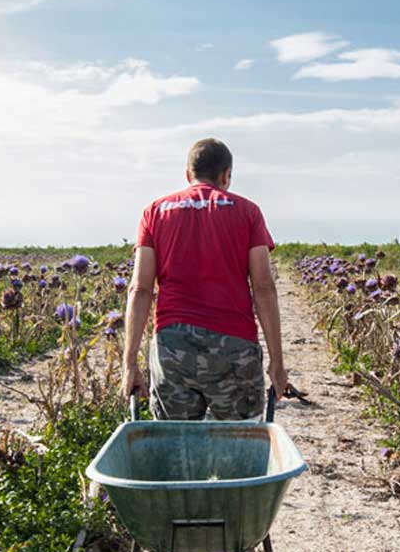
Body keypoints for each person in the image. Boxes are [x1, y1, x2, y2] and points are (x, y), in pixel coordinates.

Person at [121, 138, 288, 420]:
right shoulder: (248, 212)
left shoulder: (154, 212)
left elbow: (140, 288)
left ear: (188, 175)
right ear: (226, 176)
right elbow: (263, 287)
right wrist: (277, 362)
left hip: (173, 348)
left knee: (176, 447)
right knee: (241, 443)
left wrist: (129, 363)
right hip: (235, 347)